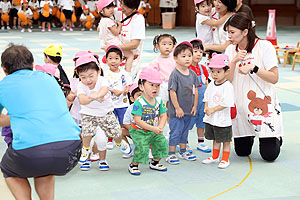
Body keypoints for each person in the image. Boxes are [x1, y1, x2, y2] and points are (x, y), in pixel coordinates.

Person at [0, 44, 81, 200]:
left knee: (9, 168)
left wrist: (19, 117)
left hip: (31, 152)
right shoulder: (48, 78)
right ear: (32, 65)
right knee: (44, 166)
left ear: (4, 69)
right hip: (71, 149)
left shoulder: (3, 85)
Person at [224, 13, 284, 161]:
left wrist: (254, 68)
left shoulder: (264, 46)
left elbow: (274, 78)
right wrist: (233, 62)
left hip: (262, 106)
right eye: (228, 32)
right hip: (240, 108)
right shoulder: (230, 50)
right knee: (242, 152)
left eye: (232, 32)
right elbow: (228, 80)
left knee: (269, 156)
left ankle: (276, 137)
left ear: (245, 32)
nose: (229, 36)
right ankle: (249, 135)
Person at [75, 54, 132, 165]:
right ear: (79, 76)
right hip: (88, 114)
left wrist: (96, 95)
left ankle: (120, 143)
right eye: (83, 77)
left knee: (116, 132)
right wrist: (91, 98)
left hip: (106, 113)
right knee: (86, 133)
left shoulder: (102, 80)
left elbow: (104, 90)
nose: (88, 80)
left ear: (99, 71)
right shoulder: (81, 85)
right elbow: (82, 100)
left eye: (91, 75)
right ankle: (85, 149)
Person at [128, 67, 168, 175]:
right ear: (141, 86)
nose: (155, 88)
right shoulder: (139, 102)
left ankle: (154, 163)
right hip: (139, 130)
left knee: (162, 143)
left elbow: (163, 115)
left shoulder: (159, 101)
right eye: (151, 85)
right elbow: (138, 120)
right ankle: (134, 164)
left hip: (154, 129)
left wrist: (160, 127)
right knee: (142, 147)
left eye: (157, 85)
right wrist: (153, 128)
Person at [166, 41, 199, 165]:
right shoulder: (175, 74)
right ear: (175, 58)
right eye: (183, 56)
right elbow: (172, 92)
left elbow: (196, 91)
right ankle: (171, 153)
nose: (187, 59)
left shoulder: (193, 74)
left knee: (185, 132)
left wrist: (195, 106)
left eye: (189, 56)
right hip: (177, 111)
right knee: (175, 131)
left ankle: (183, 151)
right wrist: (177, 108)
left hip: (188, 110)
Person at [201, 53, 234, 169]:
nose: (215, 74)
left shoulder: (227, 86)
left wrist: (213, 109)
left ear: (226, 72)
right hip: (212, 118)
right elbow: (206, 97)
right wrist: (206, 107)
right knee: (215, 138)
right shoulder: (211, 85)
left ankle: (225, 159)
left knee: (225, 140)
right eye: (213, 71)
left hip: (223, 120)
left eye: (218, 72)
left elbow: (227, 103)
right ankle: (215, 157)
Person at [97, 0, 134, 72]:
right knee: (130, 55)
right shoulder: (108, 21)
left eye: (112, 7)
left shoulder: (102, 20)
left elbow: (98, 29)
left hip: (105, 43)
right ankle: (128, 73)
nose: (111, 10)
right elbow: (116, 32)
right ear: (101, 11)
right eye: (108, 8)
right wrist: (119, 25)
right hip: (113, 43)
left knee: (113, 59)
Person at [188, 39, 211, 153]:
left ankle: (201, 142)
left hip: (202, 101)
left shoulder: (203, 68)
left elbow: (206, 83)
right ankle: (184, 143)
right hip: (190, 102)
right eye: (195, 51)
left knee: (201, 122)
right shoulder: (186, 69)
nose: (198, 54)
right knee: (187, 123)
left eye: (200, 52)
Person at [104, 45, 132, 131]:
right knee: (110, 123)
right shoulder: (105, 74)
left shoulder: (124, 73)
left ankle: (121, 138)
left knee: (123, 123)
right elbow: (104, 86)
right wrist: (113, 90)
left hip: (123, 104)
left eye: (116, 58)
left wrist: (127, 89)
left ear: (121, 60)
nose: (113, 61)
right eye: (110, 58)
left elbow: (129, 84)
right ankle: (110, 139)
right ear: (106, 60)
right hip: (110, 104)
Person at [117, 0, 145, 76]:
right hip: (116, 57)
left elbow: (134, 44)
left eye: (124, 5)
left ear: (132, 5)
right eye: (121, 4)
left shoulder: (138, 19)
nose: (121, 7)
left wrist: (114, 47)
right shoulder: (119, 13)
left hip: (132, 60)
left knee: (127, 82)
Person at [121, 82, 142, 159]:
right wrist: (134, 131)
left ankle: (150, 149)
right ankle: (128, 150)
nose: (142, 98)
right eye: (139, 95)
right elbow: (125, 123)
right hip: (135, 131)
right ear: (132, 99)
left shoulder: (150, 107)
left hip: (147, 133)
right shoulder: (130, 108)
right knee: (120, 132)